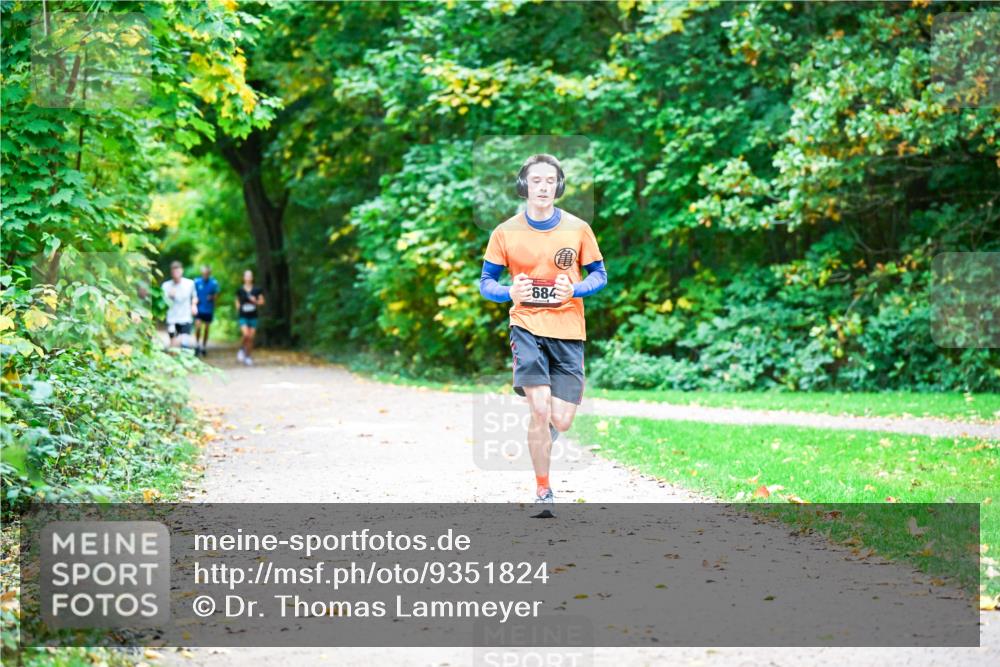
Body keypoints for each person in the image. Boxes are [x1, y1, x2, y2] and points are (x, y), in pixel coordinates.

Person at [479, 154, 608, 513]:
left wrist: (575, 290)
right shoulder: (504, 232)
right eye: (536, 180)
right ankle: (543, 490)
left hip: (568, 328)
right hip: (526, 326)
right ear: (524, 185)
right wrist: (510, 293)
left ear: (559, 186)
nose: (543, 187)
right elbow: (486, 283)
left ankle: (541, 440)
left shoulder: (578, 229)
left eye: (550, 181)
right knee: (539, 408)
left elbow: (600, 275)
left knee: (561, 420)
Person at [162, 260, 198, 350]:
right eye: (174, 272)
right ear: (171, 272)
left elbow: (195, 297)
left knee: (184, 343)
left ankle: (184, 359)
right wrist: (169, 296)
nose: (176, 274)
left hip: (185, 317)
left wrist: (194, 305)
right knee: (173, 343)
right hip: (172, 318)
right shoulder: (166, 286)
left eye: (178, 271)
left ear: (182, 271)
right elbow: (162, 303)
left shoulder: (190, 284)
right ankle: (174, 359)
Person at [235, 269, 264, 366]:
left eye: (250, 276)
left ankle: (248, 356)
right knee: (246, 335)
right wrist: (238, 307)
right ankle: (242, 349)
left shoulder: (257, 289)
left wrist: (255, 301)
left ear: (252, 278)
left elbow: (262, 301)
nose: (248, 278)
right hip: (243, 315)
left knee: (251, 337)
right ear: (243, 278)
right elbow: (237, 301)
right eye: (246, 276)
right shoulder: (240, 290)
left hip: (253, 316)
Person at [193, 265, 220, 357]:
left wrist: (212, 297)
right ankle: (197, 345)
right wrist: (195, 301)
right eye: (204, 273)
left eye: (207, 273)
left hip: (208, 309)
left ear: (209, 273)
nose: (205, 275)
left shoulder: (214, 283)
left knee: (207, 329)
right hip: (199, 308)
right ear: (202, 273)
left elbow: (217, 295)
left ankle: (204, 346)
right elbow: (193, 293)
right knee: (198, 326)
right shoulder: (197, 282)